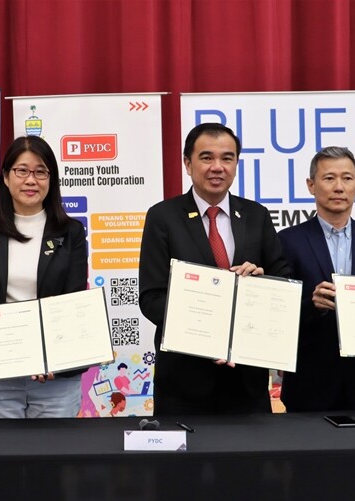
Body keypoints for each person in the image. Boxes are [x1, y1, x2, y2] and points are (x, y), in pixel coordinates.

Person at [138, 122, 291, 416]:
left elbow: (283, 283)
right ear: (187, 163)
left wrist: (261, 281)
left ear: (236, 164)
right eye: (206, 157)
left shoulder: (256, 215)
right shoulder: (163, 217)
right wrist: (207, 337)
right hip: (184, 382)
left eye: (227, 158)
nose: (217, 167)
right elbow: (152, 298)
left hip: (247, 381)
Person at [0, 135, 88, 418]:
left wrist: (54, 355)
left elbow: (74, 304)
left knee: (55, 449)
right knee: (0, 448)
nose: (31, 180)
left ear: (51, 179)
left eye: (40, 172)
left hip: (54, 375)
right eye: (22, 171)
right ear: (6, 177)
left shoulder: (71, 233)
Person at [277, 146, 355, 412]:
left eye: (347, 178)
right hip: (308, 382)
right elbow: (277, 312)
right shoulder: (287, 241)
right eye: (329, 178)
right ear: (311, 185)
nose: (339, 187)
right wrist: (312, 305)